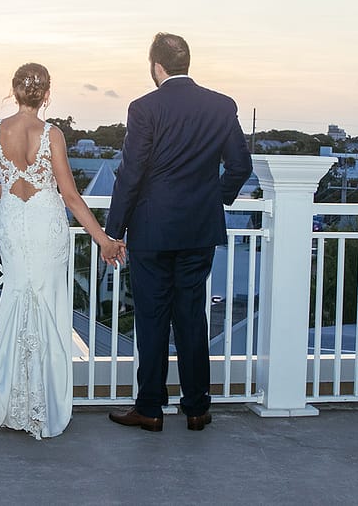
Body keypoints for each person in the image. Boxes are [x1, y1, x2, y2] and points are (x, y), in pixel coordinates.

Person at [106, 33, 252, 432]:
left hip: (152, 229)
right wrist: (211, 199)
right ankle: (197, 408)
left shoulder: (144, 108)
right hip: (198, 230)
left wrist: (113, 231)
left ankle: (150, 409)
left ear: (156, 67)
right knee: (191, 317)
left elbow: (131, 172)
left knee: (152, 320)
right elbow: (240, 166)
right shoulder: (221, 106)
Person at [0, 62, 124, 440]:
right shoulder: (52, 134)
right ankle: (46, 406)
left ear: (13, 91)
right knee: (48, 305)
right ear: (46, 95)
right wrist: (103, 240)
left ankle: (11, 404)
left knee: (16, 300)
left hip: (14, 222)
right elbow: (71, 197)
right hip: (46, 224)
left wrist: (14, 187)